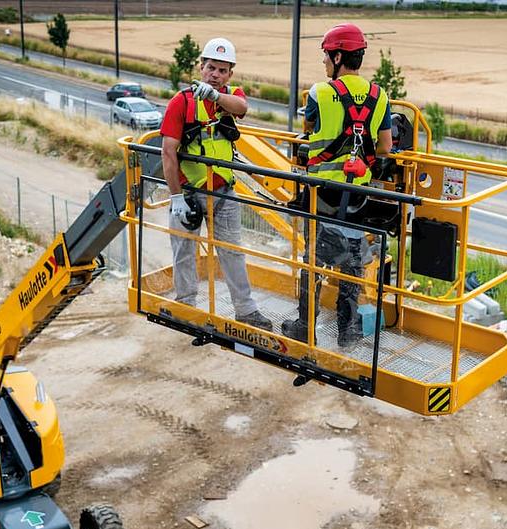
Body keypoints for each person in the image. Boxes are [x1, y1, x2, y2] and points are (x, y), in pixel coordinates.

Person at [282, 23, 392, 348]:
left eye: (327, 57)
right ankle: (348, 331)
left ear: (338, 55)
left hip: (323, 195)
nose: (324, 63)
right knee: (352, 264)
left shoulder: (320, 93)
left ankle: (305, 325)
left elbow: (309, 131)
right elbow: (385, 146)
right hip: (358, 196)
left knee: (313, 262)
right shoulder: (379, 96)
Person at [161, 37, 273, 331]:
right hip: (188, 192)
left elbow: (241, 107)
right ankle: (186, 306)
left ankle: (246, 311)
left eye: (222, 71)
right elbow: (168, 151)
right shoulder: (181, 102)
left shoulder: (230, 96)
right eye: (211, 68)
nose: (216, 74)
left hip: (223, 192)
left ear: (229, 74)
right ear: (201, 67)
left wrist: (213, 96)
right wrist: (175, 198)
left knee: (232, 251)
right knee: (183, 250)